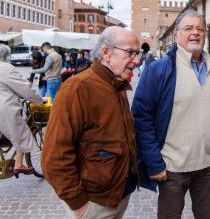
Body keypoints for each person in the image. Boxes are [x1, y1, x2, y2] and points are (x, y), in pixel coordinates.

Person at [132, 9, 210, 219]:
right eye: (188, 28)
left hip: (209, 167)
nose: (195, 32)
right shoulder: (159, 70)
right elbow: (142, 119)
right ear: (176, 35)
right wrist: (154, 163)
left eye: (200, 29)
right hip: (171, 169)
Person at [41, 26, 141, 219]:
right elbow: (54, 156)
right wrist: (77, 203)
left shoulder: (116, 83)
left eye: (137, 53)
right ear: (106, 53)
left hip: (117, 195)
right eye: (131, 53)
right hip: (94, 203)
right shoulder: (76, 88)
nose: (137, 60)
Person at [0, 44, 46, 177]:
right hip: (4, 108)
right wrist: (38, 100)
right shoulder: (6, 68)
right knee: (22, 133)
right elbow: (23, 88)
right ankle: (18, 165)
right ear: (6, 56)